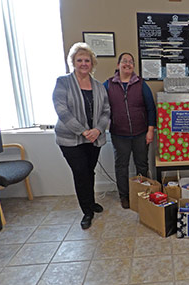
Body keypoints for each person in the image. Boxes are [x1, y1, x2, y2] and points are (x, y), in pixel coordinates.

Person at [53, 42, 110, 229]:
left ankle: (91, 201)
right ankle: (87, 211)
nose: (84, 63)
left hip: (94, 138)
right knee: (80, 172)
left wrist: (98, 130)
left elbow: (106, 111)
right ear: (73, 62)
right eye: (80, 60)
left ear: (92, 63)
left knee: (89, 171)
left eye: (87, 60)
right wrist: (83, 131)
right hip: (71, 139)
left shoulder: (99, 86)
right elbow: (62, 110)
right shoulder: (63, 82)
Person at [103, 52, 156, 209]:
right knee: (121, 167)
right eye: (124, 61)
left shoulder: (140, 84)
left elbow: (151, 108)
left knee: (142, 165)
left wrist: (150, 130)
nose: (127, 64)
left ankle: (143, 194)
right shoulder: (108, 85)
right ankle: (124, 197)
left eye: (131, 62)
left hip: (141, 133)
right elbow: (101, 108)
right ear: (118, 65)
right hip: (119, 134)